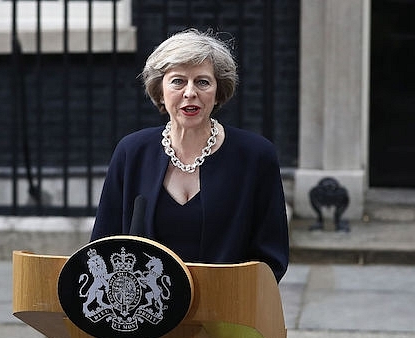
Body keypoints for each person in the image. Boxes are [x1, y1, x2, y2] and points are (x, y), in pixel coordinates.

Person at [90, 28, 289, 282]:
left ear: (218, 91)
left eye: (203, 81)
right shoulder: (131, 152)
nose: (190, 92)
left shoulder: (256, 156)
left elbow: (271, 256)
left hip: (228, 311)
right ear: (160, 90)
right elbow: (102, 247)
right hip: (148, 314)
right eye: (178, 81)